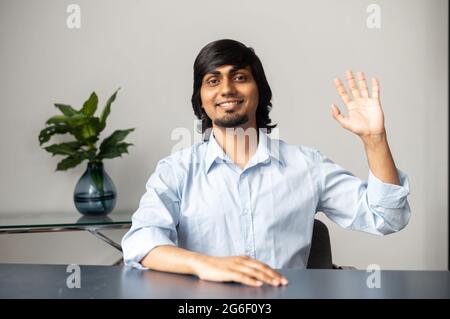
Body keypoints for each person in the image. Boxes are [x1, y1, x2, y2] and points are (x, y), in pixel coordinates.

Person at [122, 39, 411, 287]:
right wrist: (205, 265)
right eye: (213, 80)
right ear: (201, 99)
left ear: (259, 91)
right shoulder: (175, 171)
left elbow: (386, 217)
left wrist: (375, 139)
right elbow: (141, 242)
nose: (226, 89)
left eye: (239, 77)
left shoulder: (306, 165)